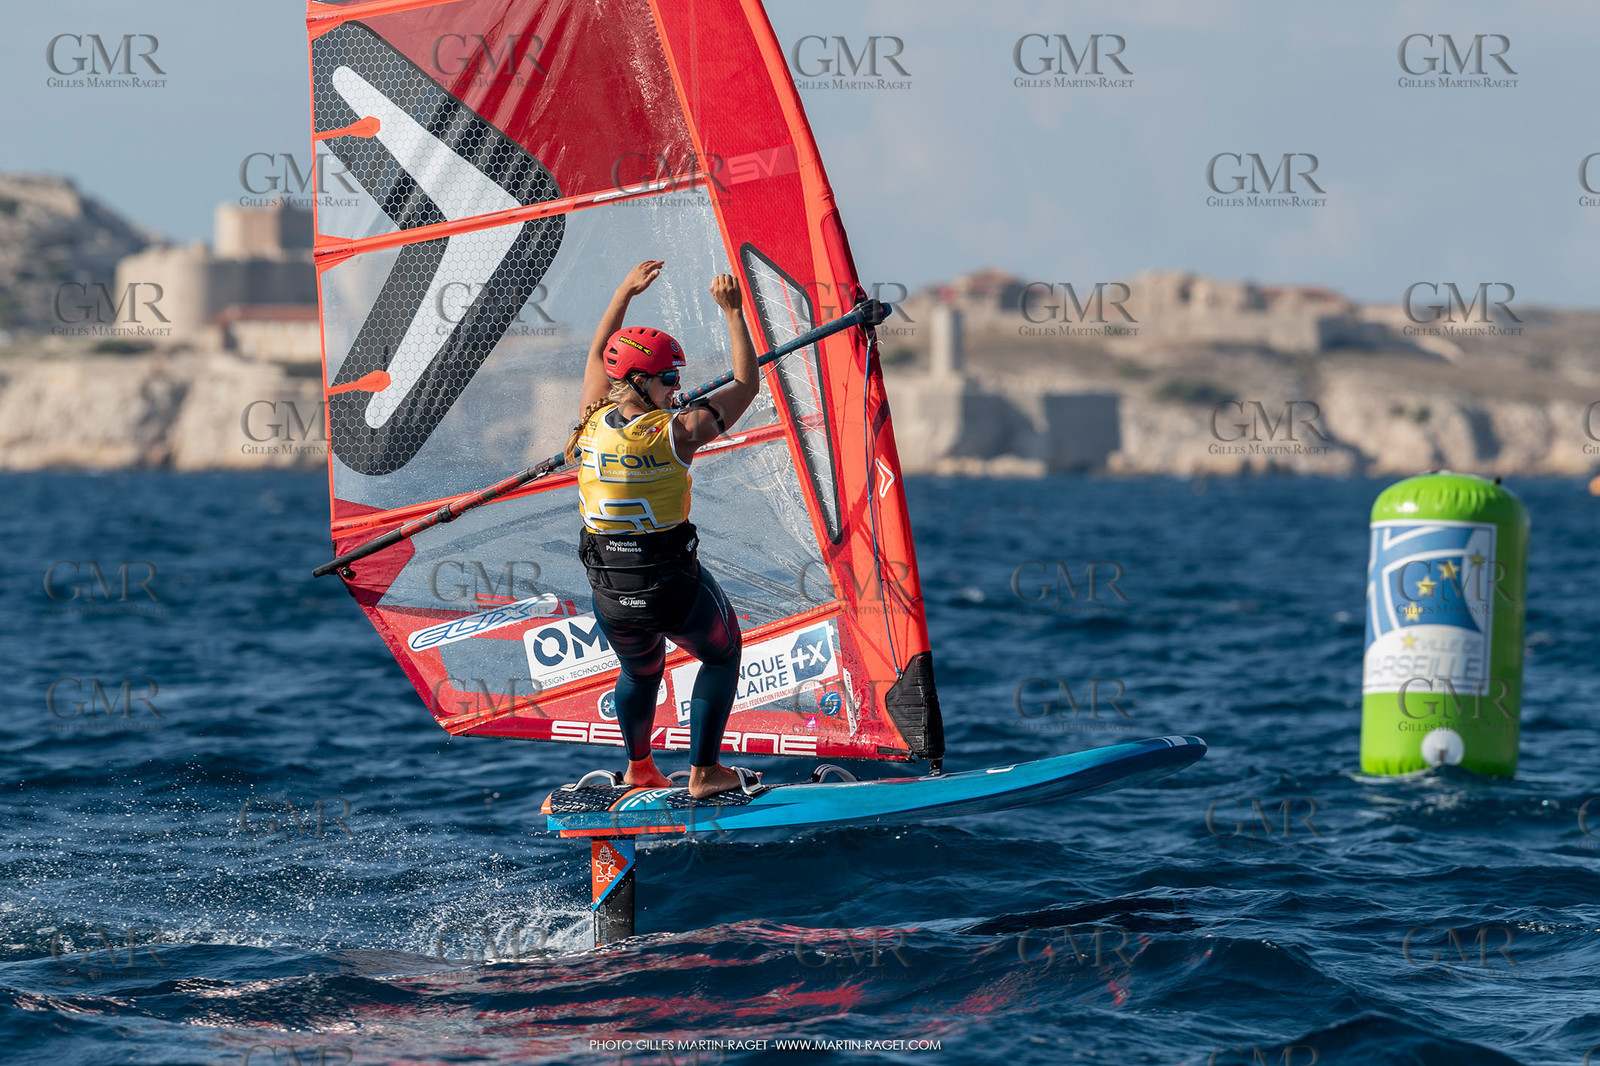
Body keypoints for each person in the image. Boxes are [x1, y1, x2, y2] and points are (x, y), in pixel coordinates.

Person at [565, 260, 762, 799]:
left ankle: (639, 766)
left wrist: (623, 291)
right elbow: (747, 383)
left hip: (609, 590)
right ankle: (704, 773)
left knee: (642, 669)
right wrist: (733, 313)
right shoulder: (678, 433)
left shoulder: (589, 420)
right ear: (639, 380)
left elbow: (595, 354)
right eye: (669, 378)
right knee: (721, 654)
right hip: (670, 587)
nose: (677, 388)